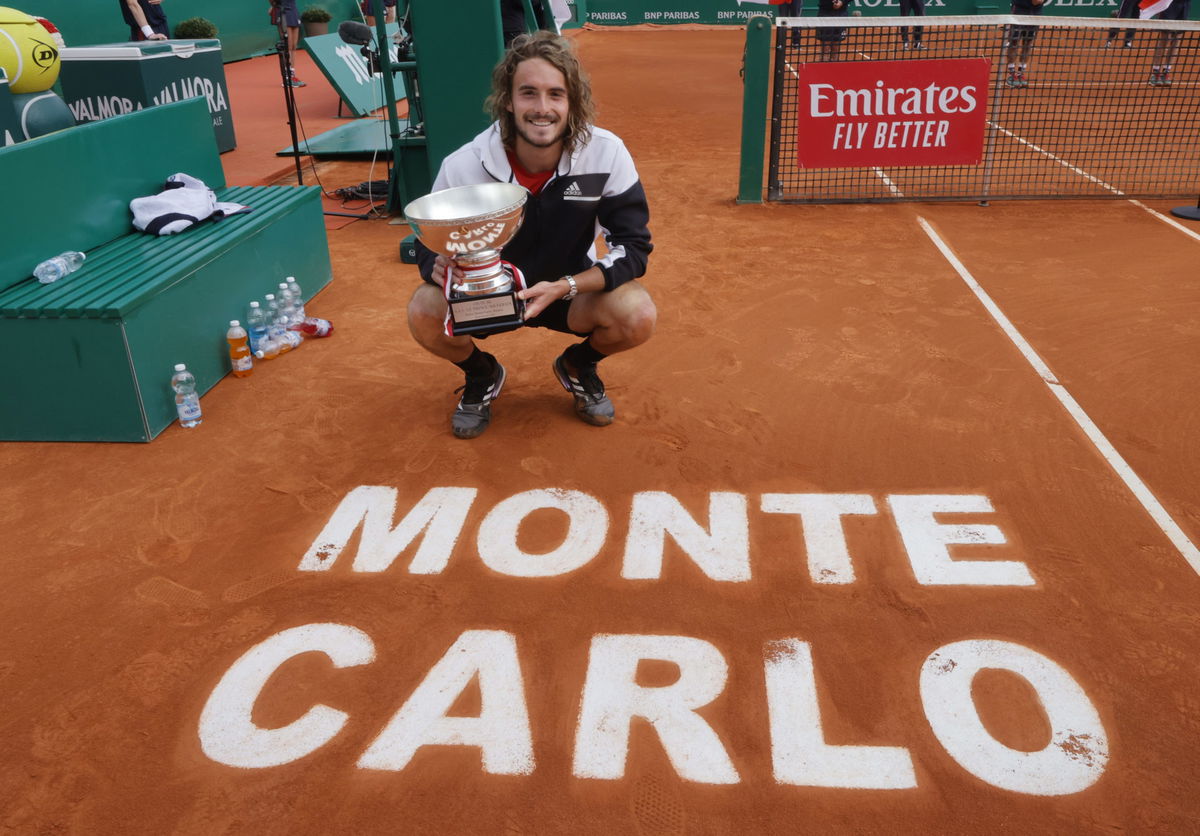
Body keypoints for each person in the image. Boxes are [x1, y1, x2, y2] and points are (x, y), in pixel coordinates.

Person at [409, 31, 656, 440]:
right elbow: (426, 239)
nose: (542, 109)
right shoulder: (467, 163)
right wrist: (433, 264)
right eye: (529, 93)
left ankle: (578, 364)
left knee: (637, 314)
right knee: (423, 310)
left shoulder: (605, 153)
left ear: (571, 101)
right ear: (508, 99)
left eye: (556, 94)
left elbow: (633, 247)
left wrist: (567, 286)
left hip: (570, 294)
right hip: (487, 299)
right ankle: (481, 374)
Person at [1147, 0, 1191, 86]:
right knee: (1165, 39)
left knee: (1176, 40)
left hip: (1185, 4)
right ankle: (1155, 73)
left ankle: (1166, 71)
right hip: (1168, 4)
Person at [1004, 0, 1044, 88]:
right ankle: (1012, 74)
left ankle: (1020, 74)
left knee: (1028, 43)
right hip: (1019, 12)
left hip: (1035, 14)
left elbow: (1037, 2)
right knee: (1013, 42)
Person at [269, 0, 306, 87]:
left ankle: (292, 76)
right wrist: (274, 5)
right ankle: (287, 78)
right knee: (288, 47)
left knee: (293, 46)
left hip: (293, 11)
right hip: (283, 13)